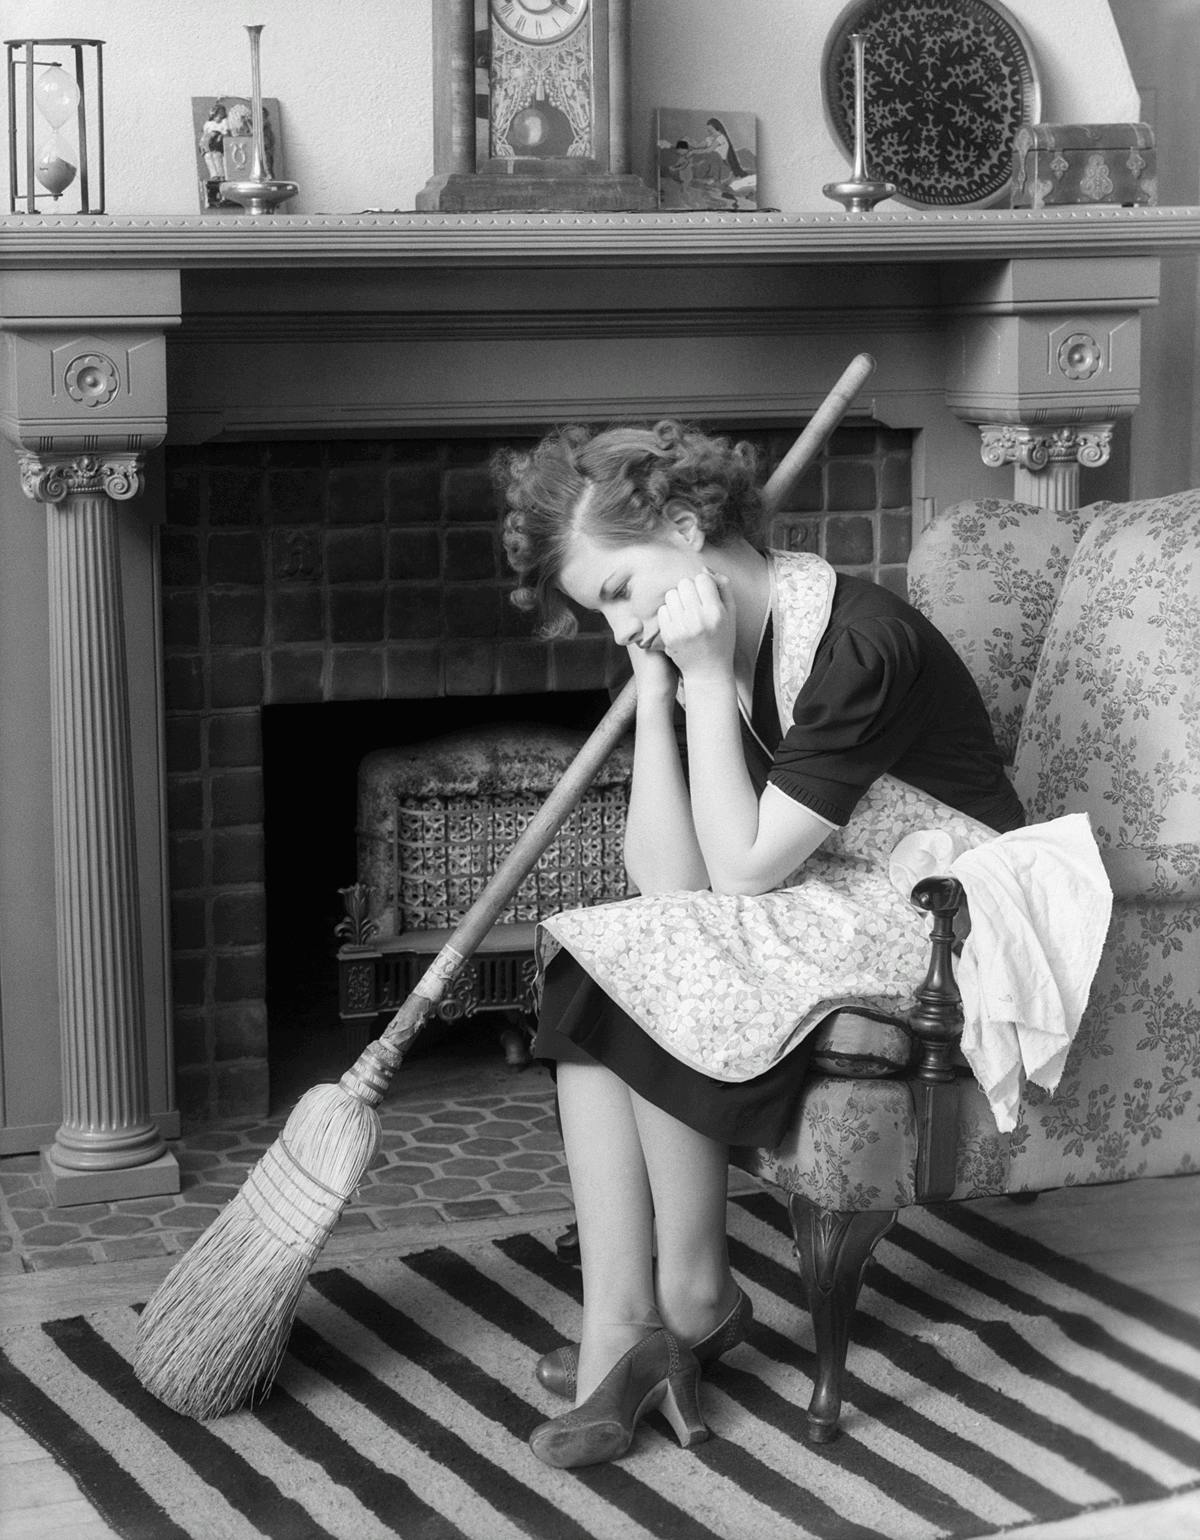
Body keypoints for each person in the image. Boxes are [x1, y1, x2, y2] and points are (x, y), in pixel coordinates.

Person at [496, 420, 1024, 1469]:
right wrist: (656, 689)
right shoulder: (720, 650)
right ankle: (655, 1308)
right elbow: (671, 881)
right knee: (599, 952)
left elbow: (734, 875)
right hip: (832, 891)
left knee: (624, 956)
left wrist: (693, 678)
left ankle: (670, 1311)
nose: (617, 625)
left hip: (948, 916)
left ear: (687, 529)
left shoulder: (858, 644)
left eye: (615, 592)